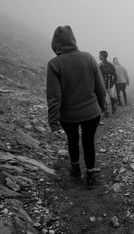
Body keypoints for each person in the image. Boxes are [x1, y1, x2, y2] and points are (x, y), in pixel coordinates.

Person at [47, 25, 106, 189]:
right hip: (91, 112)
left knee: (72, 139)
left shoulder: (54, 64)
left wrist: (53, 121)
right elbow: (100, 86)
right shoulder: (87, 57)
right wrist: (103, 106)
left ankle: (75, 169)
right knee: (88, 141)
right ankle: (91, 174)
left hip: (68, 116)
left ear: (55, 44)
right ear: (73, 40)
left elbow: (54, 96)